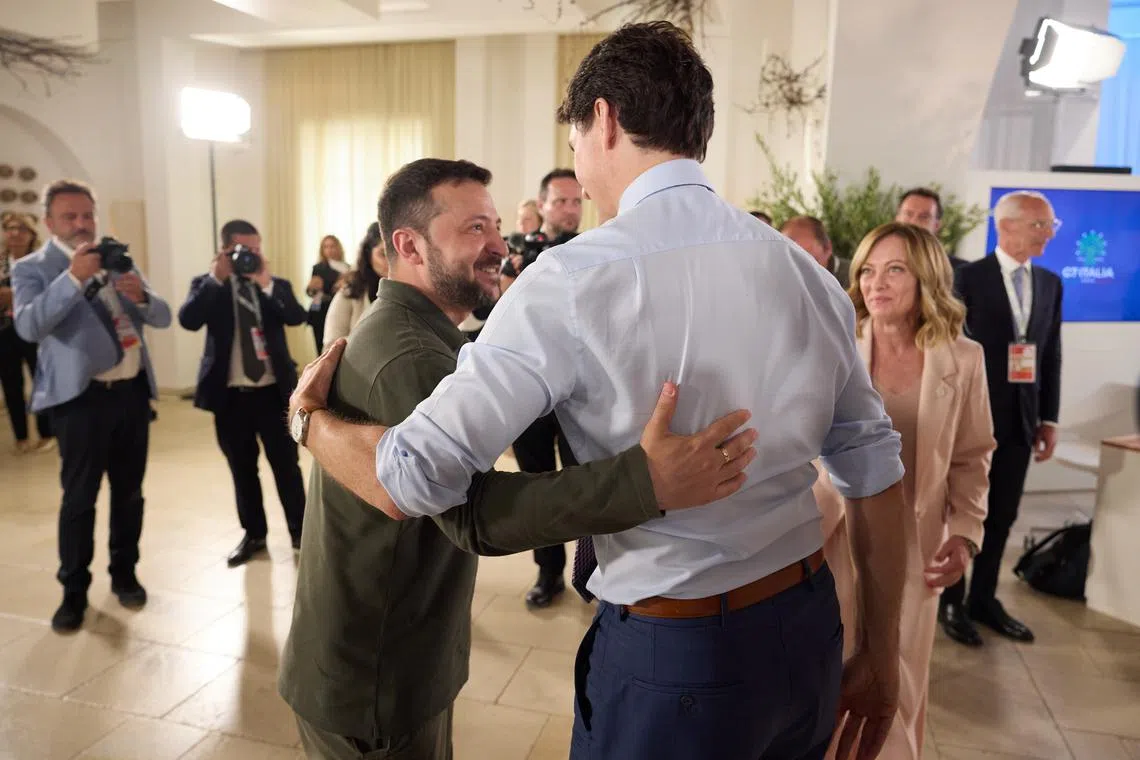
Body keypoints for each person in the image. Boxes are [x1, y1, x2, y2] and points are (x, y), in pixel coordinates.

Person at [289, 22, 909, 760]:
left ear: (605, 119)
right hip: (805, 624)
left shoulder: (573, 280)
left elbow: (414, 476)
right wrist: (882, 648)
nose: (577, 168)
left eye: (575, 140)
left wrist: (311, 421)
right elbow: (873, 473)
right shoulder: (806, 275)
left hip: (676, 654)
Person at [279, 158, 758, 760]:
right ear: (409, 245)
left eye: (497, 226)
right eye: (475, 228)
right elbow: (476, 515)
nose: (499, 246)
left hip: (392, 659)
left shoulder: (426, 335)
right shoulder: (408, 355)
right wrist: (646, 481)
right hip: (371, 678)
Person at [815, 223, 994, 760]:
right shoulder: (835, 345)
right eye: (867, 269)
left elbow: (972, 455)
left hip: (915, 546)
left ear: (926, 277)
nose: (877, 282)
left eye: (894, 269)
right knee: (823, 673)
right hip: (826, 537)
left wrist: (964, 535)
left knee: (897, 677)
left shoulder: (963, 360)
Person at [11, 179, 172, 632]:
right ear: (49, 223)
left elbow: (161, 315)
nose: (81, 225)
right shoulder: (32, 268)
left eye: (87, 215)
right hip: (80, 401)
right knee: (79, 499)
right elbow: (28, 326)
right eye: (69, 217)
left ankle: (125, 574)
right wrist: (74, 278)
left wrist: (140, 294)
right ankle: (73, 591)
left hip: (132, 394)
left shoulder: (116, 256)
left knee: (130, 494)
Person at [939, 190, 1063, 647]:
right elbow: (946, 353)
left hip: (1020, 420)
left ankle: (984, 598)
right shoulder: (966, 279)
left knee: (1003, 514)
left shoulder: (1051, 284)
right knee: (959, 512)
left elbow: (1051, 355)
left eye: (1050, 225)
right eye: (1039, 225)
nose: (1048, 233)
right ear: (1005, 226)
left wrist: (1048, 417)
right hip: (968, 420)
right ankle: (951, 601)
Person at [178, 220, 308, 567]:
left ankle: (301, 532)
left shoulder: (274, 285)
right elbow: (188, 319)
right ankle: (254, 534)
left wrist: (265, 283)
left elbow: (297, 316)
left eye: (256, 248)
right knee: (242, 468)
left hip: (272, 395)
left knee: (287, 467)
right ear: (224, 251)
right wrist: (215, 278)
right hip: (230, 397)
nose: (251, 256)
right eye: (242, 250)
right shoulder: (209, 286)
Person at [1, 210, 54, 453]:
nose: (15, 234)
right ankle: (21, 436)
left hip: (34, 329)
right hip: (4, 330)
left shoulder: (40, 263)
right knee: (11, 384)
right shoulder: (1, 261)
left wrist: (15, 295)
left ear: (32, 234)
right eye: (10, 229)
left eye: (21, 229)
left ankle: (46, 432)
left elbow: (51, 294)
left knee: (40, 381)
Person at [323, 222, 386, 345]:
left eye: (396, 254)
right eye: (383, 254)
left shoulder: (412, 290)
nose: (391, 261)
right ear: (368, 255)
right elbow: (331, 345)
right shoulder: (350, 292)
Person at [895, 188, 966, 270]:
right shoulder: (878, 260)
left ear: (937, 225)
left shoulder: (959, 271)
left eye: (924, 217)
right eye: (908, 214)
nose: (914, 222)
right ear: (897, 219)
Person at [306, 234, 350, 354]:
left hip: (343, 311)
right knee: (324, 349)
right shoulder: (319, 268)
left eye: (332, 246)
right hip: (321, 312)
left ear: (338, 247)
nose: (329, 250)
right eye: (326, 247)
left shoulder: (348, 268)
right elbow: (311, 292)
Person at [781, 215, 852, 289]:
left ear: (827, 248)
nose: (796, 268)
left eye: (807, 260)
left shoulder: (854, 280)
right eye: (788, 259)